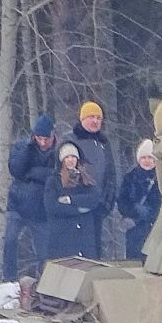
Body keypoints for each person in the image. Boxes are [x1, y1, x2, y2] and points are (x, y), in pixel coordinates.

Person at [4, 116, 60, 277]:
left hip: (42, 209)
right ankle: (9, 279)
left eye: (46, 139)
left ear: (53, 135)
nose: (42, 143)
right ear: (33, 136)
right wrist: (28, 150)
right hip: (18, 205)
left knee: (44, 252)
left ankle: (44, 281)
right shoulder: (22, 147)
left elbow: (57, 176)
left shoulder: (59, 151)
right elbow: (16, 170)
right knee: (10, 241)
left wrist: (33, 172)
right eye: (39, 138)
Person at [66, 102, 117, 253]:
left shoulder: (103, 142)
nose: (95, 121)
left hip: (98, 205)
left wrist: (108, 201)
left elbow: (111, 174)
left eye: (98, 118)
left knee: (95, 247)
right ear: (82, 119)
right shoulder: (70, 140)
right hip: (76, 205)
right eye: (91, 117)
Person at [43, 142, 103, 259]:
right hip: (61, 239)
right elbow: (51, 206)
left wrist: (70, 199)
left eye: (73, 157)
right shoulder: (53, 181)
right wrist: (79, 210)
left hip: (85, 239)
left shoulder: (86, 179)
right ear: (62, 160)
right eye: (67, 157)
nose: (71, 160)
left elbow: (94, 199)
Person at [117, 140, 162, 259]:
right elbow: (122, 202)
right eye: (144, 157)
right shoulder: (129, 177)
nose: (147, 161)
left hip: (156, 228)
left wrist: (149, 214)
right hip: (135, 231)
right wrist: (135, 210)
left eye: (150, 157)